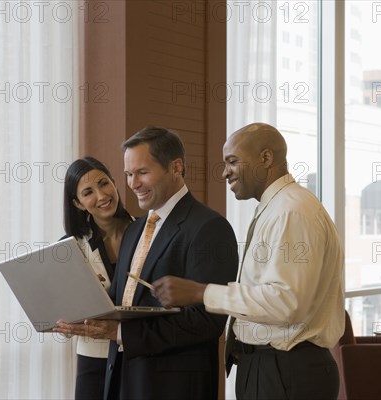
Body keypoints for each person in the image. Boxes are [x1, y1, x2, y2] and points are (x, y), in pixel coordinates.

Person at [152, 122, 345, 399]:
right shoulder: (276, 208)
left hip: (286, 369)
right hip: (270, 367)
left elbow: (285, 302)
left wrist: (200, 292)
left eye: (232, 161)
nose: (224, 172)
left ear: (266, 158)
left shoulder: (291, 211)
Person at [55, 127, 239, 400]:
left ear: (176, 167)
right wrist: (73, 311)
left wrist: (121, 333)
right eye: (128, 175)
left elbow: (207, 321)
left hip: (173, 387)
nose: (133, 184)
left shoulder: (209, 227)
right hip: (123, 380)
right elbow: (120, 302)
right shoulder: (135, 230)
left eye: (142, 173)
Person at [62, 157, 133, 399]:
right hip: (94, 360)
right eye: (88, 192)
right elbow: (61, 312)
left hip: (139, 354)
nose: (102, 195)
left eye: (104, 183)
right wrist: (65, 325)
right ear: (78, 203)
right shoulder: (69, 248)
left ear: (114, 183)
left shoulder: (147, 232)